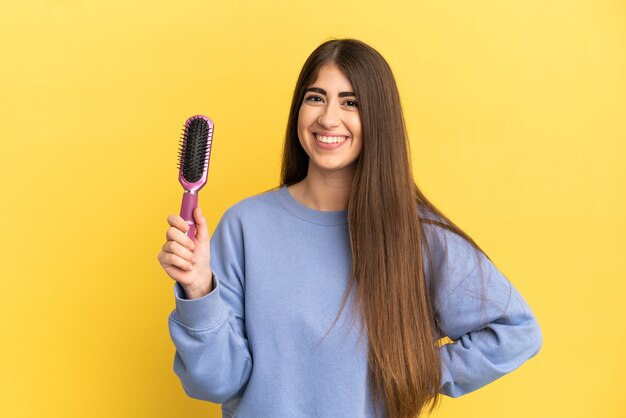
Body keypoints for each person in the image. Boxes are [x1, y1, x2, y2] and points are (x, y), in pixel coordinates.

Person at [157, 39, 542, 418]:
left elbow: (516, 332)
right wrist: (198, 290)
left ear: (379, 117)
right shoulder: (245, 226)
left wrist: (414, 372)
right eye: (316, 97)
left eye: (350, 102)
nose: (328, 118)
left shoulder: (418, 235)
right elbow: (216, 383)